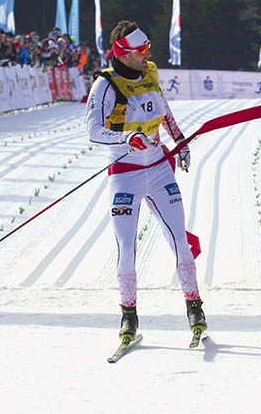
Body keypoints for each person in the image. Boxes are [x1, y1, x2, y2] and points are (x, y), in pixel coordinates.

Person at [85, 20, 206, 342]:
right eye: (142, 51)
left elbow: (164, 111)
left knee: (179, 239)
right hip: (125, 174)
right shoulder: (105, 86)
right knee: (126, 246)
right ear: (123, 55)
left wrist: (180, 142)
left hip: (157, 168)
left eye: (148, 48)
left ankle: (195, 307)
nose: (148, 54)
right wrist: (129, 138)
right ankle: (128, 316)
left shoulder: (150, 72)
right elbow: (94, 132)